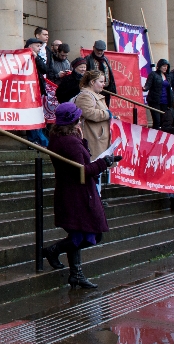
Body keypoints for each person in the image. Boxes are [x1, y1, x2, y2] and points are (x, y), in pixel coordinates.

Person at [39, 102, 121, 289]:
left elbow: (79, 162)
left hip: (72, 193)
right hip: (77, 194)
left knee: (79, 233)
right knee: (87, 235)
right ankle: (54, 252)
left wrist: (83, 142)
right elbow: (82, 171)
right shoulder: (69, 142)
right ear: (74, 121)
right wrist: (104, 163)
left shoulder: (61, 138)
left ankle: (75, 273)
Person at [73, 71, 112, 161]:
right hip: (92, 136)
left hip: (97, 136)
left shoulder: (93, 95)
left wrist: (111, 117)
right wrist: (108, 114)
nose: (103, 85)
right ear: (92, 82)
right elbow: (89, 113)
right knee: (94, 168)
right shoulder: (85, 96)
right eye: (101, 82)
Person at [24, 38, 49, 147]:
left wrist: (37, 58)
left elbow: (45, 70)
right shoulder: (23, 56)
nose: (39, 49)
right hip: (27, 91)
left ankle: (39, 139)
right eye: (37, 46)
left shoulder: (38, 58)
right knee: (31, 115)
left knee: (37, 116)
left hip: (37, 90)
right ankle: (34, 140)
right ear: (30, 46)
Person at [85, 41, 117, 106]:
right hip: (94, 90)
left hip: (106, 90)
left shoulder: (105, 59)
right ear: (93, 48)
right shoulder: (88, 59)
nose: (99, 52)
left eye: (101, 50)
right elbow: (85, 76)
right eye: (98, 50)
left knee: (106, 108)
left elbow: (109, 74)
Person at [144, 59, 173, 129]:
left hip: (165, 101)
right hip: (155, 101)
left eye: (167, 66)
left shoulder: (168, 76)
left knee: (164, 121)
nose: (165, 68)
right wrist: (145, 88)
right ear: (159, 66)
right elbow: (148, 85)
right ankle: (155, 137)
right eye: (164, 66)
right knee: (157, 121)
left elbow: (170, 89)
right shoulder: (153, 74)